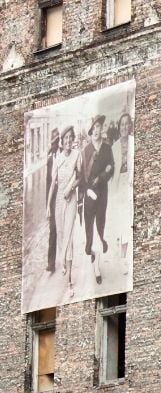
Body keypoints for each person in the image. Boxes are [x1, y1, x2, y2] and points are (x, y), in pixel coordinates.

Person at [79, 114, 115, 284]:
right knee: (89, 227)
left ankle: (97, 263)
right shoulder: (86, 151)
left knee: (100, 224)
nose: (96, 131)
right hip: (89, 194)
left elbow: (111, 168)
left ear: (101, 129)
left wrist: (100, 177)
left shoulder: (107, 149)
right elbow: (81, 174)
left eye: (98, 127)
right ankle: (93, 255)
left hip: (102, 192)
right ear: (90, 131)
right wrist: (85, 191)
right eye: (93, 129)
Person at [53, 126, 80, 296]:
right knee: (62, 235)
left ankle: (69, 281)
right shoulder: (57, 158)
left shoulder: (77, 155)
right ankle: (62, 261)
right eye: (66, 139)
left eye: (71, 137)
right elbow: (54, 182)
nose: (69, 141)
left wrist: (70, 188)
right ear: (62, 142)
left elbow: (79, 176)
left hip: (71, 199)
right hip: (59, 201)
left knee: (69, 238)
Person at [110, 113, 134, 273]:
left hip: (129, 184)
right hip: (118, 185)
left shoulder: (134, 143)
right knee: (117, 220)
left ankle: (124, 257)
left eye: (127, 124)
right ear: (119, 127)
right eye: (122, 124)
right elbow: (113, 170)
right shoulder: (114, 146)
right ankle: (118, 253)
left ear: (130, 126)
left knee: (127, 221)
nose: (124, 127)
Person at [44, 128, 61, 274]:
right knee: (53, 231)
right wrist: (47, 205)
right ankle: (51, 263)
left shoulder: (63, 154)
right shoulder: (49, 157)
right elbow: (47, 182)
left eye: (57, 141)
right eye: (53, 142)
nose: (55, 144)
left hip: (63, 197)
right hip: (52, 198)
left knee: (62, 230)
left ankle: (65, 260)